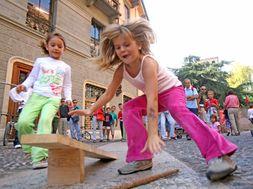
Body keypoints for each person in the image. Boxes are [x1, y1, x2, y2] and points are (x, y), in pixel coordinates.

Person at [69, 19, 237, 181]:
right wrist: (90, 109)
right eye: (118, 47)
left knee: (177, 110)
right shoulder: (121, 69)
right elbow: (108, 94)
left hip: (172, 90)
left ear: (139, 44)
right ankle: (142, 158)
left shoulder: (148, 63)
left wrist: (153, 134)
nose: (122, 50)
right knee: (129, 108)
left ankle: (219, 155)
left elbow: (152, 101)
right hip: (156, 95)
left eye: (126, 45)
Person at [16, 33, 72, 169]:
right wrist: (24, 85)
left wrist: (68, 97)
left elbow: (67, 85)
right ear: (47, 46)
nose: (56, 48)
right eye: (53, 45)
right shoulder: (40, 61)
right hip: (37, 95)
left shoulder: (66, 67)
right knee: (23, 122)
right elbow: (32, 77)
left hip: (53, 98)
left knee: (45, 122)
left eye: (60, 46)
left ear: (64, 49)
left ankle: (40, 157)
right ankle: (31, 147)